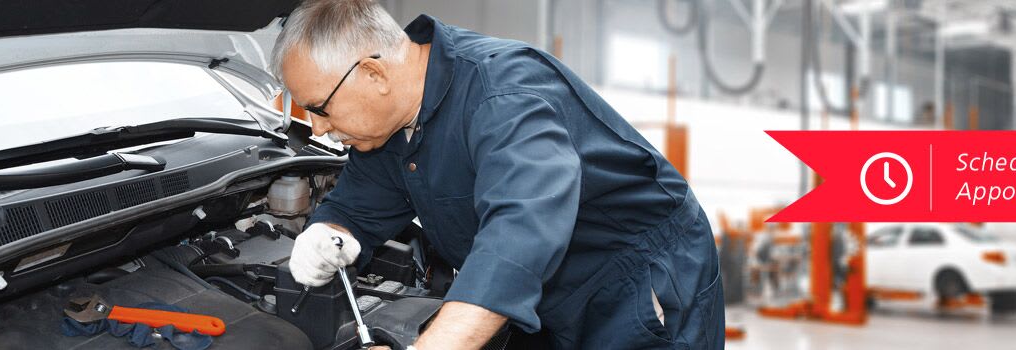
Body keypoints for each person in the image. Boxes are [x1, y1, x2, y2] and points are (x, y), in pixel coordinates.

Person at [273, 1, 724, 348]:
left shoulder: (503, 94)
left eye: (319, 108)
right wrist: (329, 231)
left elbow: (520, 234)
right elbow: (358, 202)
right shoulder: (387, 127)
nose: (319, 129)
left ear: (374, 74)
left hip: (633, 279)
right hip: (547, 292)